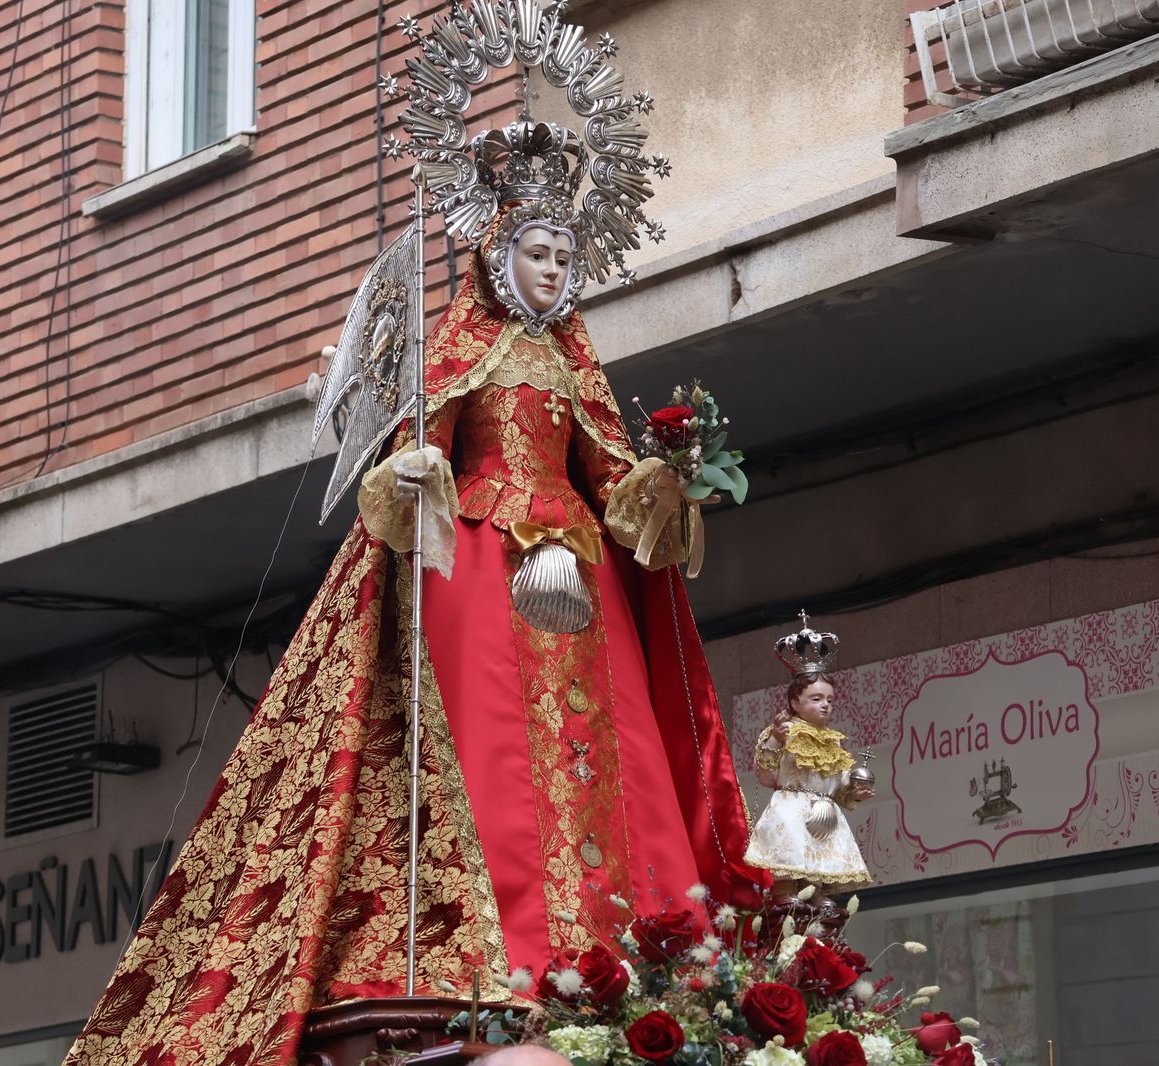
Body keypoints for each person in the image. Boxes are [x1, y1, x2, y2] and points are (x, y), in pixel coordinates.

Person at [63, 110, 766, 1066]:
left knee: (608, 752)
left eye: (565, 254)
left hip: (577, 580)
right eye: (538, 252)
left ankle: (622, 953)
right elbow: (414, 455)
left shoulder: (572, 366)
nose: (555, 270)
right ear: (495, 251)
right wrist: (411, 474)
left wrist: (667, 480)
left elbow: (614, 482)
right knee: (489, 748)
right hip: (477, 561)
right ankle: (501, 949)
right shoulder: (462, 349)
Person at [745, 619, 874, 897]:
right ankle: (785, 891)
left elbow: (837, 785)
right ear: (795, 702)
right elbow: (767, 776)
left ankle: (816, 895)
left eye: (829, 699)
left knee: (820, 865)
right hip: (791, 808)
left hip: (824, 814)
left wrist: (854, 791)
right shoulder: (784, 731)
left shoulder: (832, 740)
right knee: (791, 858)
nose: (825, 704)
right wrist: (776, 741)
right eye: (816, 699)